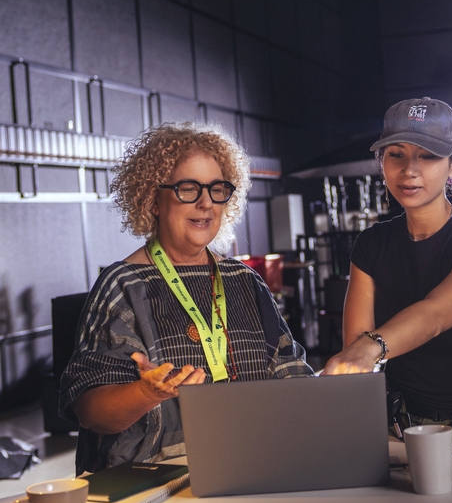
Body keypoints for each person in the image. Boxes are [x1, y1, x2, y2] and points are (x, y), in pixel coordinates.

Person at [59, 123, 311, 473]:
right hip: (158, 480)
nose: (206, 202)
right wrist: (147, 393)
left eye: (217, 189)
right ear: (153, 199)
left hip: (252, 464)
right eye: (188, 188)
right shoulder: (123, 285)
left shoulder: (245, 282)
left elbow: (292, 377)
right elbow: (90, 412)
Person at [323, 97, 452, 452]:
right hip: (397, 423)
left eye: (428, 155)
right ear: (381, 161)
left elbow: (434, 315)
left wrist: (370, 348)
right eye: (396, 154)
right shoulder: (371, 245)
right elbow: (356, 353)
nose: (409, 170)